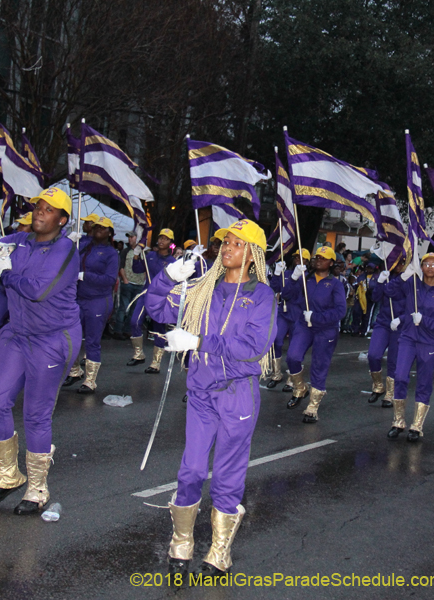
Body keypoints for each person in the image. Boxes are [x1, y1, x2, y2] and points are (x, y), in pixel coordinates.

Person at [145, 218, 276, 578]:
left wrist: (200, 342)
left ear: (252, 254)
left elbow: (253, 348)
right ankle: (181, 542)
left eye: (236, 243)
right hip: (201, 391)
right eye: (225, 242)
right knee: (191, 469)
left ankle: (219, 551)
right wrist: (168, 278)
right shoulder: (203, 288)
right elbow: (157, 310)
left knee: (228, 477)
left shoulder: (262, 296)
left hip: (238, 395)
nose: (227, 248)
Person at [0, 187, 80, 515]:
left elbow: (38, 290)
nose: (40, 213)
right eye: (38, 207)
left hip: (53, 338)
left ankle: (37, 487)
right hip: (17, 334)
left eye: (48, 210)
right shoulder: (19, 240)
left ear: (62, 220)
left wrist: (5, 271)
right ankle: (8, 476)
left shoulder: (66, 250)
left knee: (36, 413)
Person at [384, 253, 434, 441]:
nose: (430, 267)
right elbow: (390, 291)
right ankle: (398, 421)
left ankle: (417, 425)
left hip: (429, 342)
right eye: (426, 264)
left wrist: (426, 320)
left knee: (423, 382)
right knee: (399, 377)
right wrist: (405, 275)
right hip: (408, 338)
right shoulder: (412, 285)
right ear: (421, 267)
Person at [282, 246, 346, 423]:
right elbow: (286, 295)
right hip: (304, 325)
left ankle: (312, 407)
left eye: (323, 258)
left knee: (319, 365)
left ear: (331, 263)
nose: (318, 260)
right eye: (316, 257)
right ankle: (300, 388)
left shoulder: (335, 284)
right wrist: (294, 278)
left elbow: (341, 310)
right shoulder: (306, 279)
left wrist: (317, 317)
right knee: (293, 357)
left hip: (325, 329)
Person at [64, 216, 118, 393]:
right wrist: (68, 239)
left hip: (98, 300)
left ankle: (90, 380)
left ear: (109, 232)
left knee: (92, 341)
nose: (98, 230)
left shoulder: (111, 253)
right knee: (70, 337)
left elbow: (110, 279)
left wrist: (86, 276)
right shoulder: (84, 245)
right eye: (96, 227)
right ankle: (74, 372)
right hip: (77, 298)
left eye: (102, 228)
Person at [0, 212, 32, 376]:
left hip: (23, 294)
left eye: (24, 224)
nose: (20, 227)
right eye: (19, 224)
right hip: (5, 291)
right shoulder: (11, 241)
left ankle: (18, 363)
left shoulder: (37, 247)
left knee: (21, 330)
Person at [130, 228, 176, 373]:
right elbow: (137, 269)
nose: (162, 240)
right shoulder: (149, 255)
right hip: (146, 293)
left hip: (161, 298)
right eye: (161, 237)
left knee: (159, 330)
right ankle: (138, 354)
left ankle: (156, 363)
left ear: (171, 243)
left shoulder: (172, 262)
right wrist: (136, 255)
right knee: (134, 321)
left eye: (166, 238)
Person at [267, 249, 307, 391]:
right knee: (276, 340)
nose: (298, 260)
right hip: (283, 312)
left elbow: (290, 293)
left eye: (301, 258)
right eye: (296, 257)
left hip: (298, 314)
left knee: (294, 348)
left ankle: (292, 379)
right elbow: (275, 288)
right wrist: (277, 274)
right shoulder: (287, 273)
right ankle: (276, 374)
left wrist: (298, 278)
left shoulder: (307, 277)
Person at [366, 263, 403, 408]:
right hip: (383, 322)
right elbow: (375, 297)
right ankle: (378, 385)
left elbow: (415, 305)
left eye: (402, 262)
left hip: (399, 324)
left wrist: (402, 319)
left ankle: (391, 393)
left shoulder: (411, 281)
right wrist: (380, 282)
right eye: (396, 262)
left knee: (393, 360)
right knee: (373, 355)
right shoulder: (387, 276)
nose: (399, 265)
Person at [112, 231, 146, 341]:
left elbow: (147, 267)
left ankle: (127, 330)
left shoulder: (143, 252)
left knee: (133, 309)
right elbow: (121, 266)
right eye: (129, 237)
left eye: (132, 237)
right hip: (128, 283)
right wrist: (125, 279)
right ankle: (118, 330)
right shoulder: (125, 251)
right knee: (123, 307)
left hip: (139, 284)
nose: (130, 239)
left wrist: (144, 279)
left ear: (137, 238)